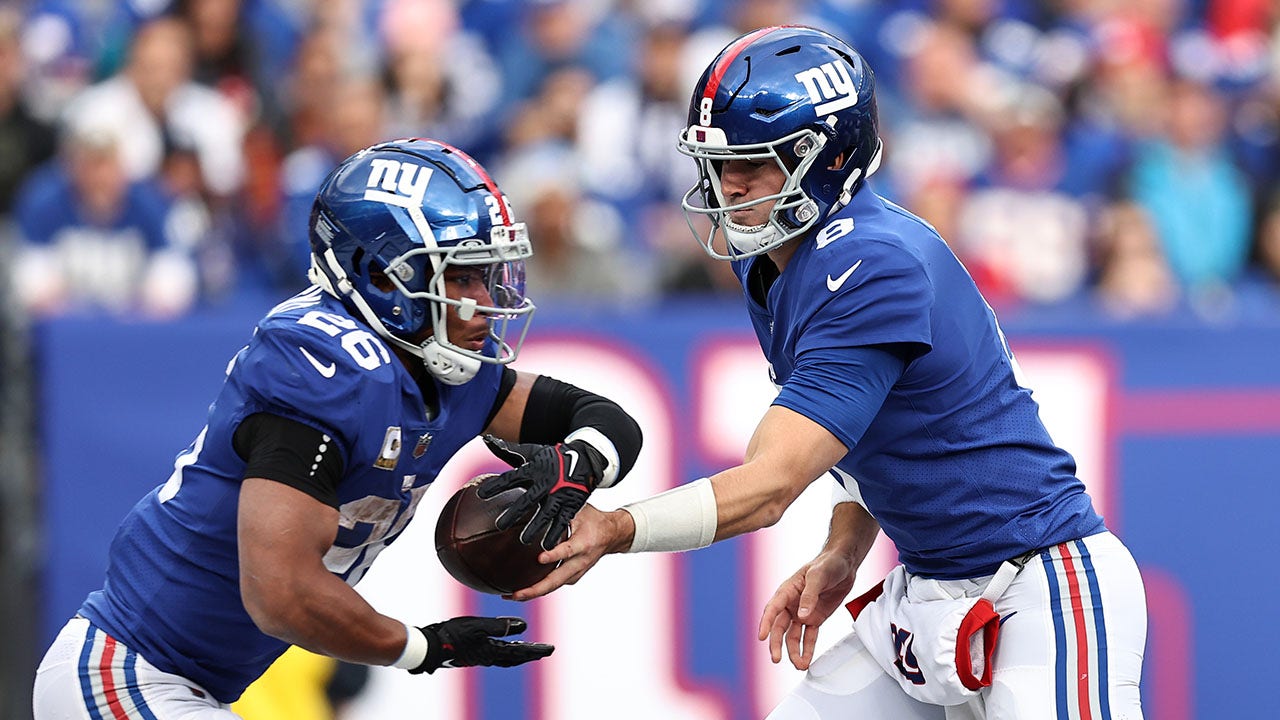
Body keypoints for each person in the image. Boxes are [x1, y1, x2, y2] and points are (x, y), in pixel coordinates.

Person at [510, 26, 1147, 719]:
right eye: (718, 163)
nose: (727, 185)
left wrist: (615, 528)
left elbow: (771, 486)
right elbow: (863, 435)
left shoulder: (872, 263)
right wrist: (844, 549)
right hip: (927, 592)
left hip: (1041, 588)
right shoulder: (775, 258)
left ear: (830, 156)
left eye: (754, 163)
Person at [32, 138, 643, 718]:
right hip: (125, 673)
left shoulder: (442, 367)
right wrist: (423, 647)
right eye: (460, 276)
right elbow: (280, 592)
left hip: (187, 687)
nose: (484, 299)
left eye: (487, 274)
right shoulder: (322, 365)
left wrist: (580, 464)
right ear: (380, 275)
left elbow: (606, 419)